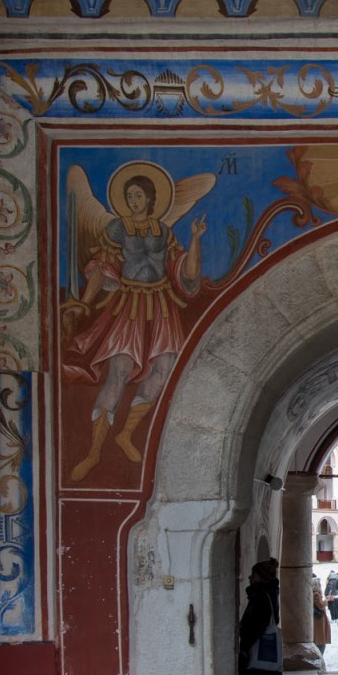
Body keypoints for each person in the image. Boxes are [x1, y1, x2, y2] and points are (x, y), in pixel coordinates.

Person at [61, 163, 211, 482]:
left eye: (138, 194)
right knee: (118, 371)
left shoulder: (164, 232)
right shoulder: (118, 229)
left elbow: (186, 271)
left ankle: (126, 433)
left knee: (163, 368)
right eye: (129, 195)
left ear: (151, 198)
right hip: (128, 306)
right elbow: (103, 267)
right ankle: (93, 452)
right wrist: (84, 304)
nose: (133, 200)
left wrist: (196, 238)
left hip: (161, 307)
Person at [311, 576, 331, 658]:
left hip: (319, 619)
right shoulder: (316, 594)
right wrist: (327, 600)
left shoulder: (315, 594)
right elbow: (321, 606)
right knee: (320, 639)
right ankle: (319, 657)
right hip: (319, 619)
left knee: (320, 638)